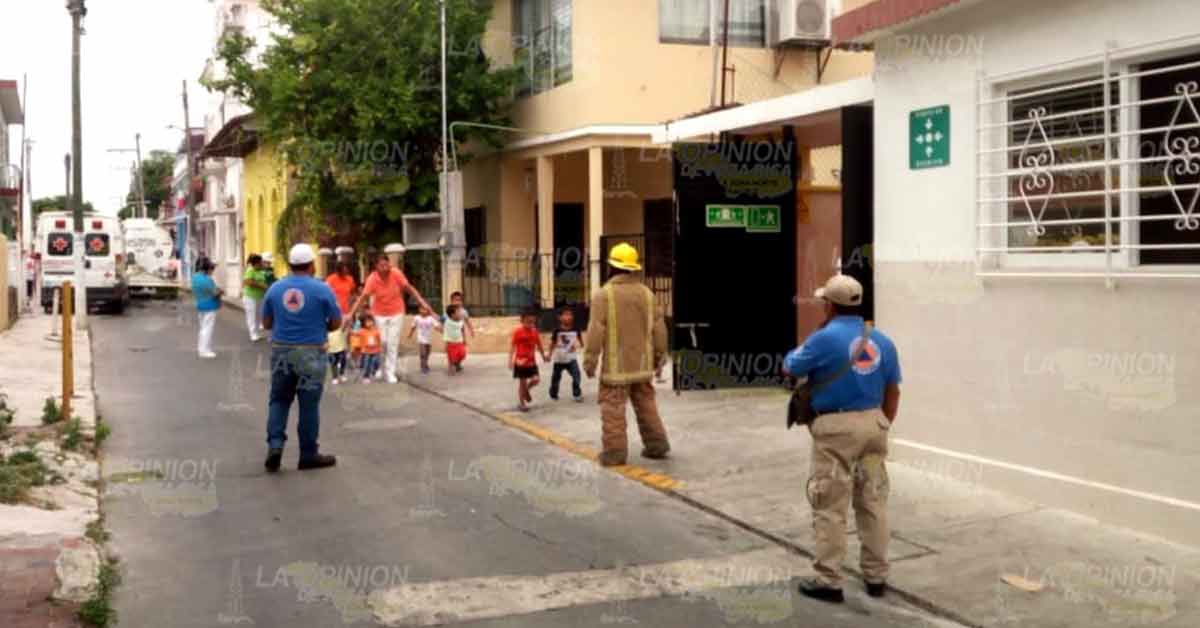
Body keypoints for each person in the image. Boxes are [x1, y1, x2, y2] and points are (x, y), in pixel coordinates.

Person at [783, 274, 901, 604]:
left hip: (835, 429)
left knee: (830, 504)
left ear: (829, 305)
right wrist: (881, 424)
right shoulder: (883, 341)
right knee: (873, 502)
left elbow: (790, 366)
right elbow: (893, 391)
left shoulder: (824, 338)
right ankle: (876, 577)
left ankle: (829, 580)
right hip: (874, 424)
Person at [583, 243, 670, 466]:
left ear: (611, 267)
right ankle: (657, 445)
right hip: (642, 366)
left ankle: (614, 453)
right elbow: (659, 328)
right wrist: (660, 356)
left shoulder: (604, 295)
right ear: (633, 268)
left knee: (613, 409)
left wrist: (590, 361)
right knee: (646, 404)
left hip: (615, 368)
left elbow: (595, 330)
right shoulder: (647, 294)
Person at [260, 243, 342, 473]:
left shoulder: (275, 289)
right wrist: (319, 326)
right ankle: (308, 454)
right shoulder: (322, 289)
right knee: (308, 405)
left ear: (290, 265)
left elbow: (266, 323)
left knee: (279, 400)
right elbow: (336, 322)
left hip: (281, 351)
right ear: (312, 265)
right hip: (311, 352)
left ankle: (275, 447)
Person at [347, 254, 432, 383]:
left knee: (393, 343)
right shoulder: (372, 279)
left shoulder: (396, 273)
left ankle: (390, 372)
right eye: (382, 265)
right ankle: (381, 367)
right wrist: (350, 314)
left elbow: (409, 289)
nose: (385, 267)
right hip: (379, 314)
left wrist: (422, 302)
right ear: (376, 267)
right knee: (383, 342)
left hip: (396, 312)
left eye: (387, 264)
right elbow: (362, 297)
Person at [509, 309, 547, 411]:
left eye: (532, 322)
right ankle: (521, 404)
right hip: (520, 362)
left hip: (531, 362)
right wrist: (510, 360)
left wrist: (543, 356)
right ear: (522, 321)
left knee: (536, 380)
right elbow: (513, 347)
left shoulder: (535, 332)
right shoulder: (518, 332)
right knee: (522, 383)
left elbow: (539, 345)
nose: (530, 324)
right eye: (528, 322)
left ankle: (527, 391)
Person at [549, 307, 585, 402]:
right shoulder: (557, 330)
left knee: (576, 375)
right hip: (559, 358)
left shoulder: (576, 329)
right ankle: (553, 393)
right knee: (556, 378)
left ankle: (576, 393)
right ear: (559, 317)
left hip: (571, 358)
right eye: (565, 314)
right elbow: (552, 343)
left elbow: (580, 340)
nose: (568, 317)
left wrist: (581, 346)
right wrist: (549, 355)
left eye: (570, 314)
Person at [191, 257, 223, 359]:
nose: (212, 271)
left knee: (203, 328)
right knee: (207, 329)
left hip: (200, 305)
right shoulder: (208, 280)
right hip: (210, 306)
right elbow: (214, 293)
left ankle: (202, 348)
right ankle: (204, 350)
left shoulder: (195, 277)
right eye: (211, 269)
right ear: (207, 269)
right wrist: (221, 291)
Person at [242, 254, 269, 342]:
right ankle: (253, 334)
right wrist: (261, 285)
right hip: (250, 297)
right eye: (260, 262)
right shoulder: (250, 270)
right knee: (252, 315)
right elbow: (247, 281)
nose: (262, 263)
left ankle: (257, 333)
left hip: (259, 297)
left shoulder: (260, 271)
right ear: (256, 263)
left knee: (258, 315)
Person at [407, 305, 441, 374]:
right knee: (423, 353)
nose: (423, 311)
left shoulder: (431, 318)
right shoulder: (417, 318)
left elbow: (436, 327)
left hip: (428, 339)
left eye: (425, 309)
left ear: (428, 310)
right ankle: (423, 367)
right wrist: (410, 334)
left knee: (427, 353)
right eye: (422, 309)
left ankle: (425, 363)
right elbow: (413, 326)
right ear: (419, 309)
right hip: (421, 339)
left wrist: (442, 331)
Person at [355, 315, 382, 383]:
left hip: (375, 350)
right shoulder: (362, 331)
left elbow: (378, 339)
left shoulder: (376, 331)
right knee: (367, 364)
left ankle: (375, 370)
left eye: (370, 321)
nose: (369, 323)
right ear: (363, 323)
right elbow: (355, 332)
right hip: (366, 351)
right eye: (367, 322)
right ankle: (366, 377)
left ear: (373, 322)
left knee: (376, 361)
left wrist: (379, 347)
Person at [443, 304, 468, 375]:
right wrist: (445, 344)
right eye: (458, 312)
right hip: (451, 343)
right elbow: (445, 332)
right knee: (451, 358)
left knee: (463, 354)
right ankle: (451, 368)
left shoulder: (461, 322)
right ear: (452, 315)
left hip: (459, 342)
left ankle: (457, 364)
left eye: (460, 312)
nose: (460, 314)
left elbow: (463, 329)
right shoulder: (447, 322)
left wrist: (464, 339)